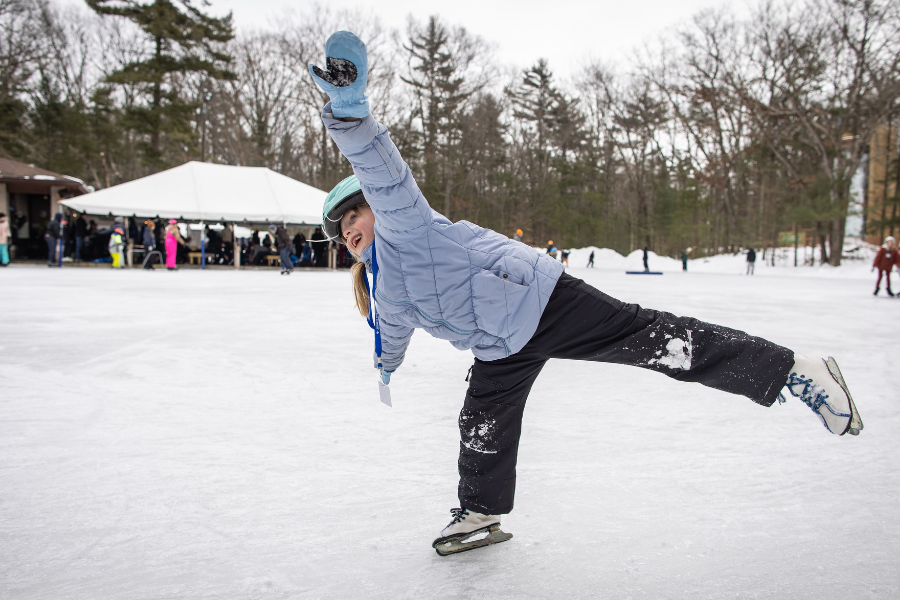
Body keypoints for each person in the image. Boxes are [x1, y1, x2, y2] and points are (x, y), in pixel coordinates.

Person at [310, 31, 865, 557]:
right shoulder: (386, 286)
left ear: (373, 206)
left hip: (540, 301)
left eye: (353, 213)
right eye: (341, 231)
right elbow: (393, 331)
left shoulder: (408, 225)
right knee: (481, 419)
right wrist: (386, 366)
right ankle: (479, 512)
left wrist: (350, 114)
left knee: (660, 343)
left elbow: (382, 173)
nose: (350, 230)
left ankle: (794, 370)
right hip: (500, 346)